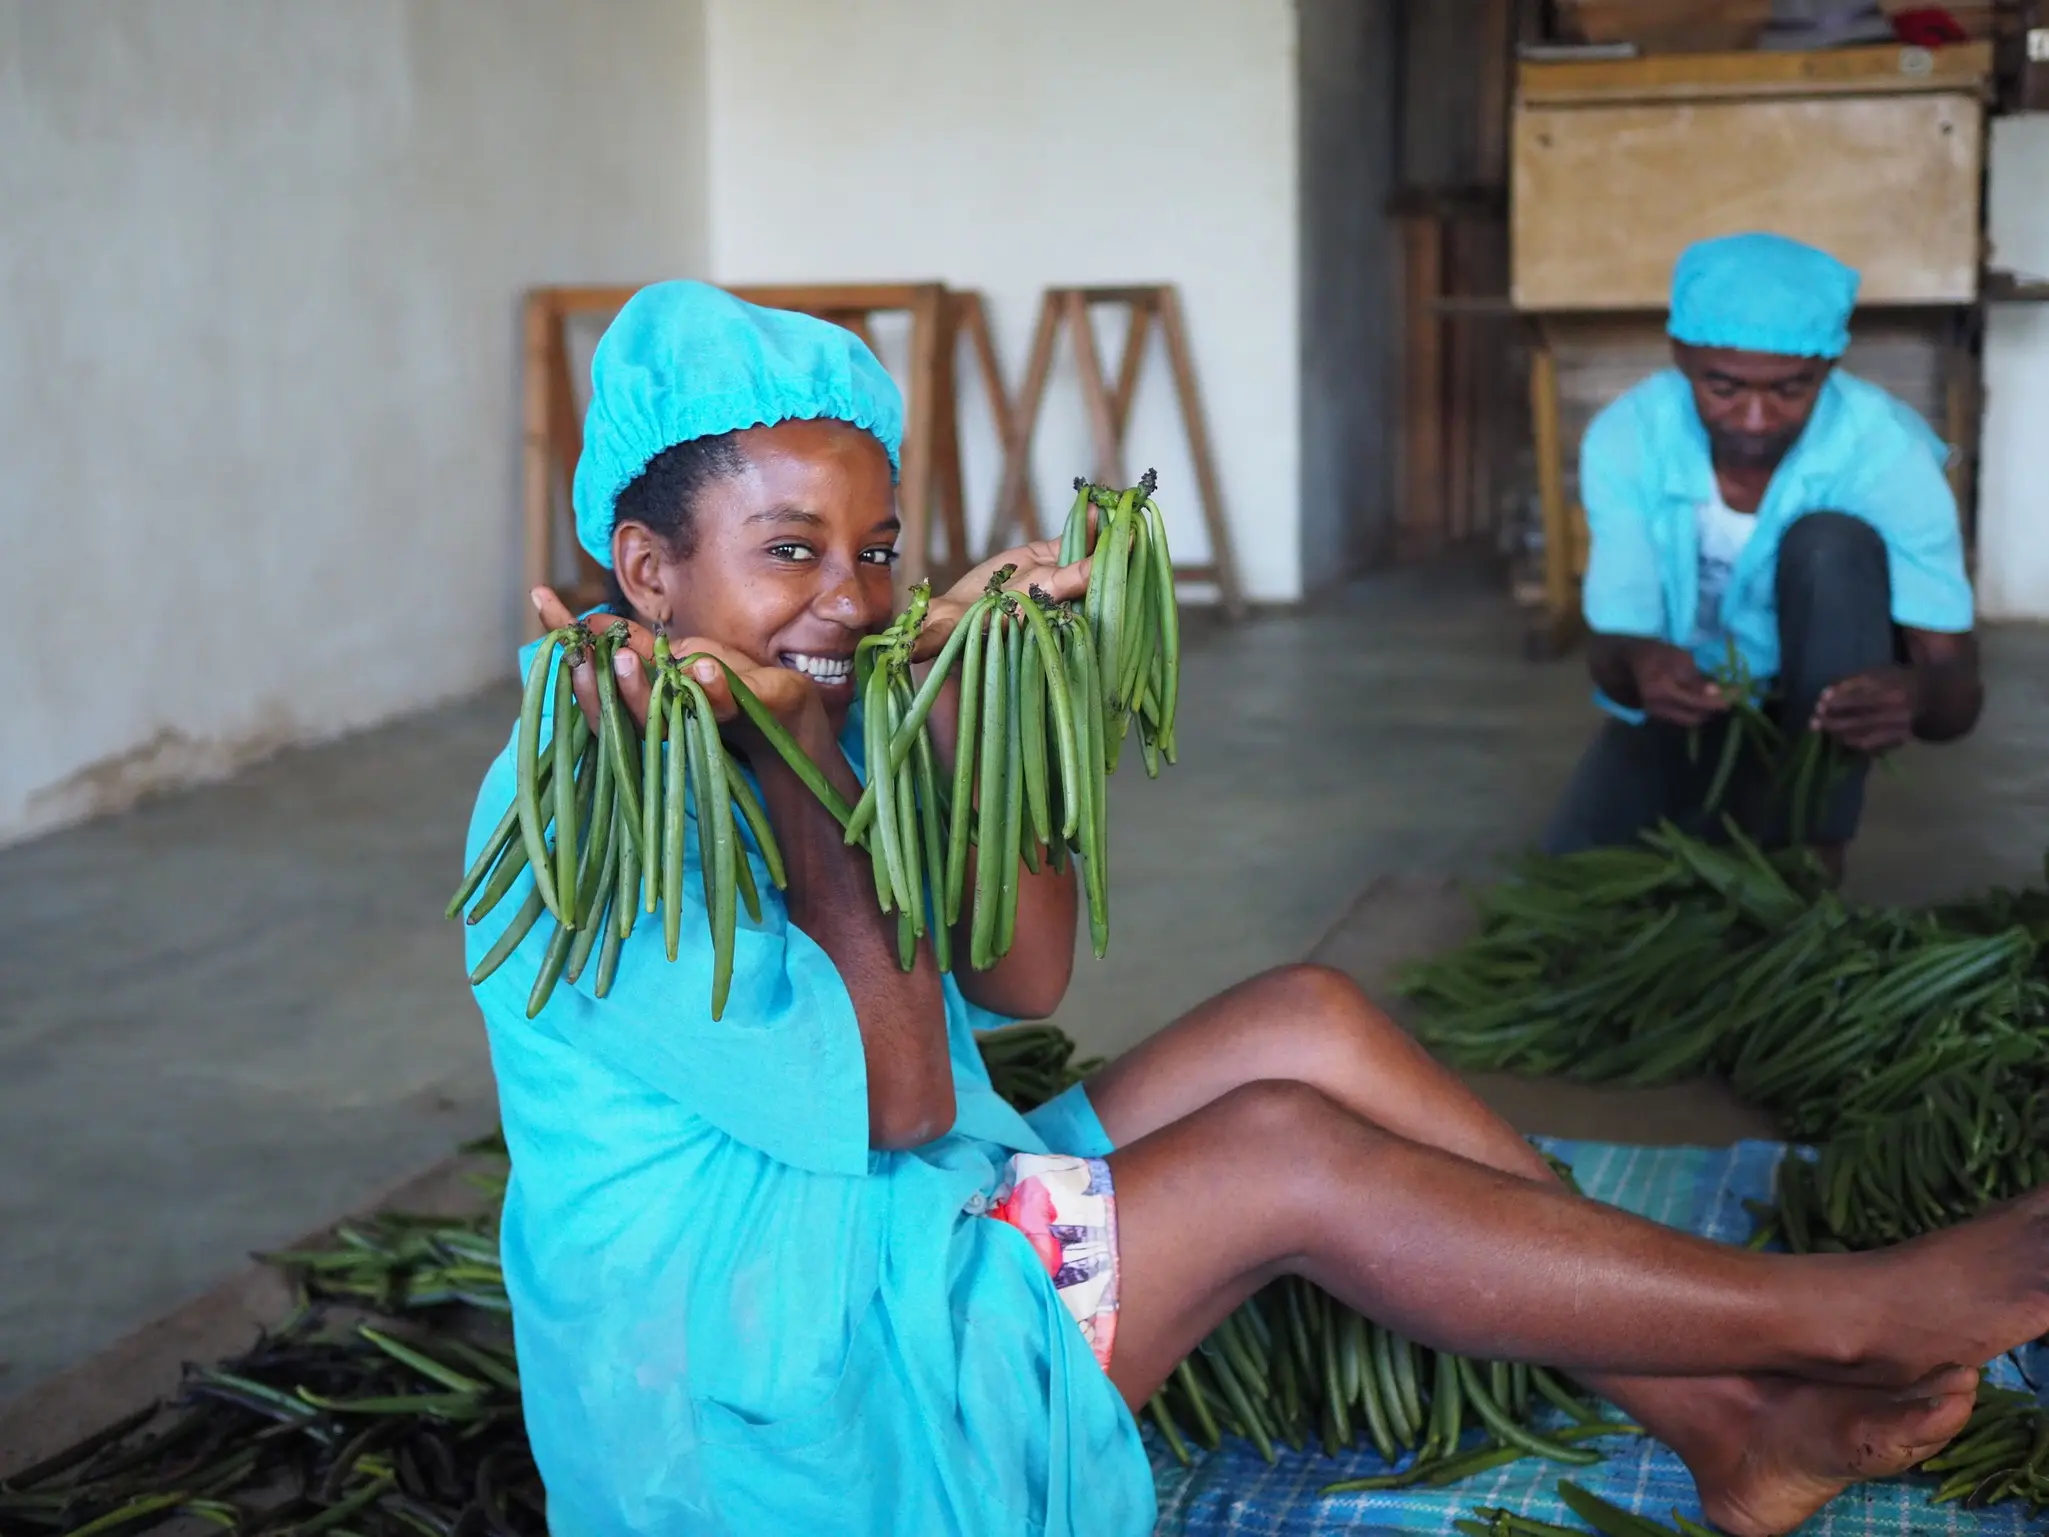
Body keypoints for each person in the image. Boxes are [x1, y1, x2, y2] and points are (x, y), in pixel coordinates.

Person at [466, 281, 2049, 1537]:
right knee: (1281, 1151)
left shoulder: (837, 703)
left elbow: (1024, 974)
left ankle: (1719, 1423)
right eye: (791, 551)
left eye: (878, 550)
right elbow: (902, 1100)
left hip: (910, 1221)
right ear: (647, 571)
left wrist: (981, 688)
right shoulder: (583, 811)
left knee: (1307, 1019)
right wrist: (811, 769)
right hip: (797, 1396)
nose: (853, 599)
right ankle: (1839, 1317)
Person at [1544, 233, 1983, 875]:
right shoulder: (1628, 440)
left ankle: (1813, 849)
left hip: (1820, 716)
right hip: (1697, 703)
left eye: (1791, 389)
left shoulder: (1886, 455)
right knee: (1576, 880)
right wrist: (1641, 664)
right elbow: (1611, 654)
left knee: (1830, 544)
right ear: (1681, 355)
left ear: (1829, 367)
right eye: (1723, 387)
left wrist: (1915, 696)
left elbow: (1958, 698)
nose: (1755, 418)